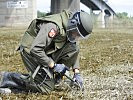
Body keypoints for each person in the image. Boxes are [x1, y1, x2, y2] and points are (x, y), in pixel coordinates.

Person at [0, 10, 93, 94]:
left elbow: (74, 47)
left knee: (73, 48)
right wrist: (53, 65)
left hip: (45, 49)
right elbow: (35, 49)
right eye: (76, 33)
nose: (76, 37)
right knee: (46, 87)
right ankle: (7, 78)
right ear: (73, 24)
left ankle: (56, 79)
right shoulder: (53, 26)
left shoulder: (69, 28)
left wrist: (77, 73)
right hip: (31, 50)